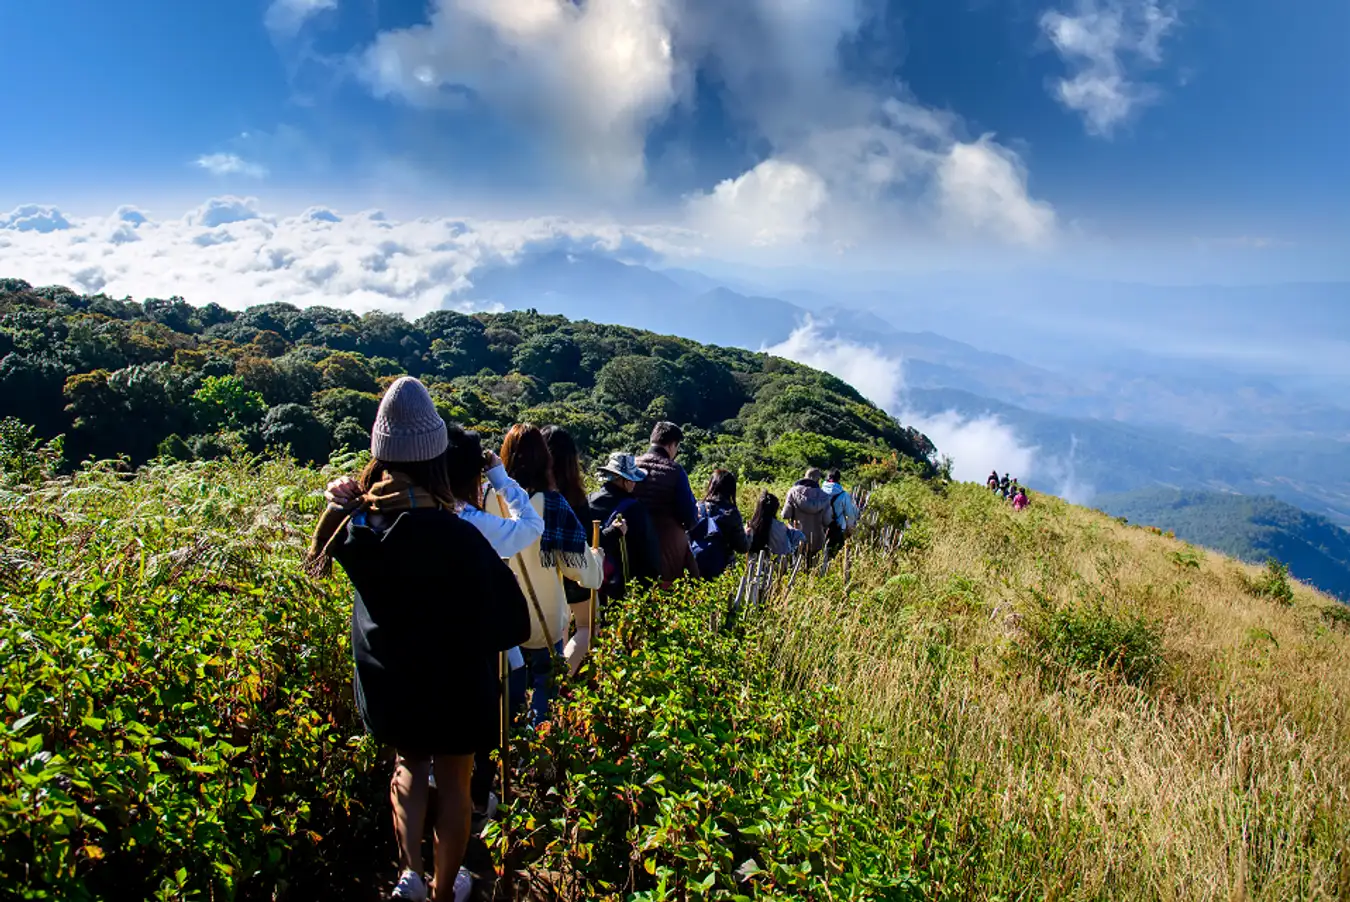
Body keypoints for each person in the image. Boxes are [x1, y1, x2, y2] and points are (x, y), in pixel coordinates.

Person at [307, 376, 530, 902]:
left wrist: (339, 502)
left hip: (394, 687)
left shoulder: (359, 530)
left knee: (409, 766)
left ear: (379, 454)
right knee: (455, 781)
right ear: (437, 459)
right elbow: (512, 625)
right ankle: (444, 887)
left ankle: (408, 875)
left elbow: (320, 552)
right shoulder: (461, 537)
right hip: (457, 687)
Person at [485, 424, 604, 722]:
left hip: (499, 619)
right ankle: (538, 757)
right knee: (544, 696)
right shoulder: (552, 504)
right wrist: (596, 560)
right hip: (543, 621)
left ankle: (506, 756)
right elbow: (581, 571)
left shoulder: (485, 497)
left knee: (504, 704)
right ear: (544, 459)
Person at [588, 452, 662, 601]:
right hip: (621, 588)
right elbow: (648, 554)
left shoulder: (588, 501)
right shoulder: (634, 509)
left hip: (590, 584)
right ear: (625, 481)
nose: (635, 484)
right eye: (633, 479)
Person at [633, 421, 700, 583]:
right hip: (666, 544)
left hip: (631, 540)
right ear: (672, 446)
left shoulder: (632, 465)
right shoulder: (675, 471)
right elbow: (689, 516)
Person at [688, 468, 749, 580]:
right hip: (722, 571)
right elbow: (742, 547)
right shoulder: (731, 512)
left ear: (711, 485)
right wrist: (747, 533)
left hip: (694, 566)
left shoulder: (697, 508)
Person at [782, 468, 832, 556]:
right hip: (817, 540)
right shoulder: (825, 497)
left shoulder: (793, 492)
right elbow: (827, 521)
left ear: (805, 477)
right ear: (818, 480)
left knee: (796, 565)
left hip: (796, 538)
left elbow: (785, 515)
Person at [746, 491, 805, 557]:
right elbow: (787, 549)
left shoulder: (750, 527)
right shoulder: (780, 527)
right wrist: (796, 530)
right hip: (778, 564)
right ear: (775, 509)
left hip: (753, 564)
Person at [822, 469, 859, 555]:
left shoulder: (820, 492)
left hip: (821, 528)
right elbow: (850, 515)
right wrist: (849, 530)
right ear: (838, 480)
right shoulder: (843, 494)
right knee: (836, 554)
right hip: (837, 528)